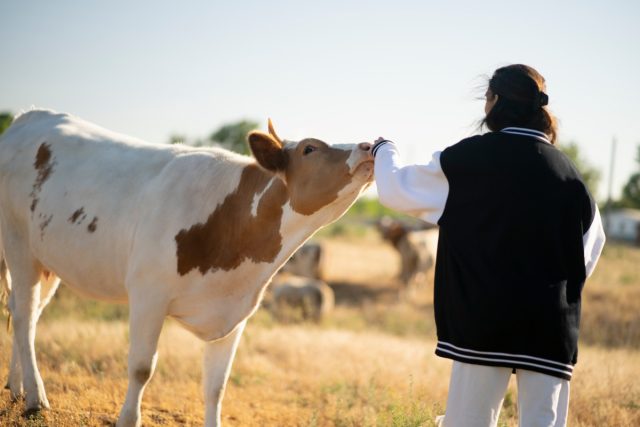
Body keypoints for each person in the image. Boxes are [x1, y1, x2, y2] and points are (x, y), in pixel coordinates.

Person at [371, 64, 606, 427]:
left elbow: (396, 189)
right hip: (551, 328)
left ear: (495, 102)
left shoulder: (468, 159)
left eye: (486, 98)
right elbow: (590, 249)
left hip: (483, 321)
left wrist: (384, 150)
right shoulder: (569, 173)